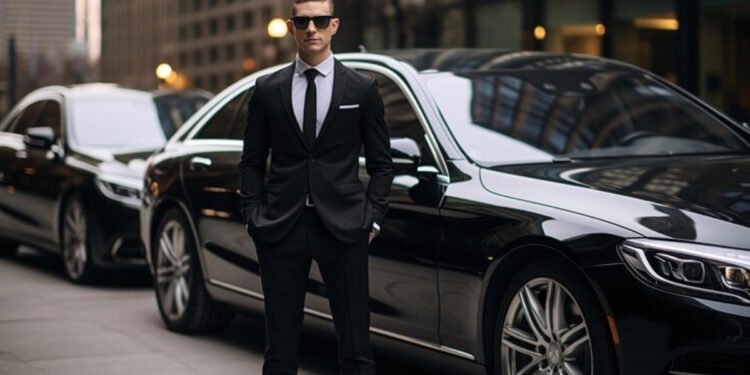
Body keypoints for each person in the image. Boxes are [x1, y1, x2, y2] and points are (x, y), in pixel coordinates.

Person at [238, 0, 393, 374]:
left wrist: (371, 219)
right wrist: (253, 216)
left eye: (320, 21)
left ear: (334, 25)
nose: (312, 29)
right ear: (291, 26)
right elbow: (252, 162)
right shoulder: (267, 89)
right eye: (303, 21)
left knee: (356, 350)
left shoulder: (362, 89)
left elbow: (382, 164)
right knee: (280, 351)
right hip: (280, 227)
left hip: (344, 227)